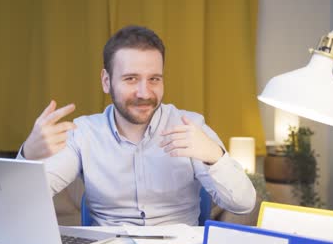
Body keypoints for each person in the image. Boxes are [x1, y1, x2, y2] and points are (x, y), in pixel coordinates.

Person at [18, 25, 256, 226]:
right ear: (106, 81)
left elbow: (243, 204)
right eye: (131, 78)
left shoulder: (190, 126)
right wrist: (27, 156)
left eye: (154, 79)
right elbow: (20, 199)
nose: (144, 93)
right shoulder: (83, 134)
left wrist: (215, 156)